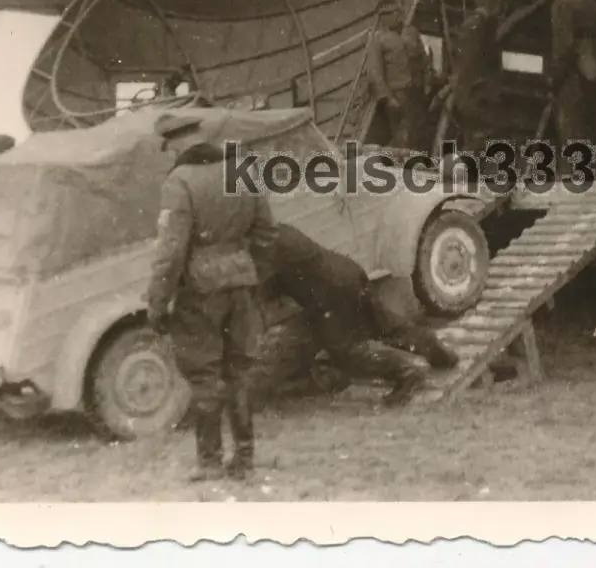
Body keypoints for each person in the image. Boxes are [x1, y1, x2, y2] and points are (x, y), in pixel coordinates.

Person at [145, 113, 277, 482]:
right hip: (241, 285)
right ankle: (245, 458)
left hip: (199, 292)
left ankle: (209, 462)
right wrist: (252, 274)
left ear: (175, 143)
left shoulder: (179, 181)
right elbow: (267, 231)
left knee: (205, 375)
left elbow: (170, 251)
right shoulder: (243, 171)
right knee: (239, 372)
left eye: (168, 147)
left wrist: (157, 302)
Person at [265, 223, 459, 407]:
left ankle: (405, 372)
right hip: (347, 273)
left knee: (345, 352)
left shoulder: (262, 244)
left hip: (331, 293)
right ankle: (434, 349)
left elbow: (258, 288)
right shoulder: (279, 230)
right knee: (383, 326)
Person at [543, 0, 596, 175]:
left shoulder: (561, 4)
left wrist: (553, 78)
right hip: (591, 69)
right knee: (590, 125)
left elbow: (563, 46)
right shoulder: (589, 2)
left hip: (572, 74)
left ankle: (573, 176)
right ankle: (591, 173)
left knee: (570, 126)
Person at [445, 0, 509, 156]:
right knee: (480, 137)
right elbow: (469, 61)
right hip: (475, 93)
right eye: (501, 4)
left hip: (478, 92)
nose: (502, 10)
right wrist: (473, 90)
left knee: (481, 137)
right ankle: (460, 168)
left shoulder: (484, 25)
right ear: (494, 2)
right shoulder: (476, 25)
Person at [364, 0, 432, 152]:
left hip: (417, 92)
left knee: (419, 132)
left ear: (398, 13)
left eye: (390, 14)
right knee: (402, 135)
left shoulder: (412, 33)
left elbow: (424, 60)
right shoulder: (378, 39)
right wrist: (388, 98)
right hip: (397, 95)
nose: (387, 18)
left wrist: (428, 84)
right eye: (383, 15)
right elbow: (375, 73)